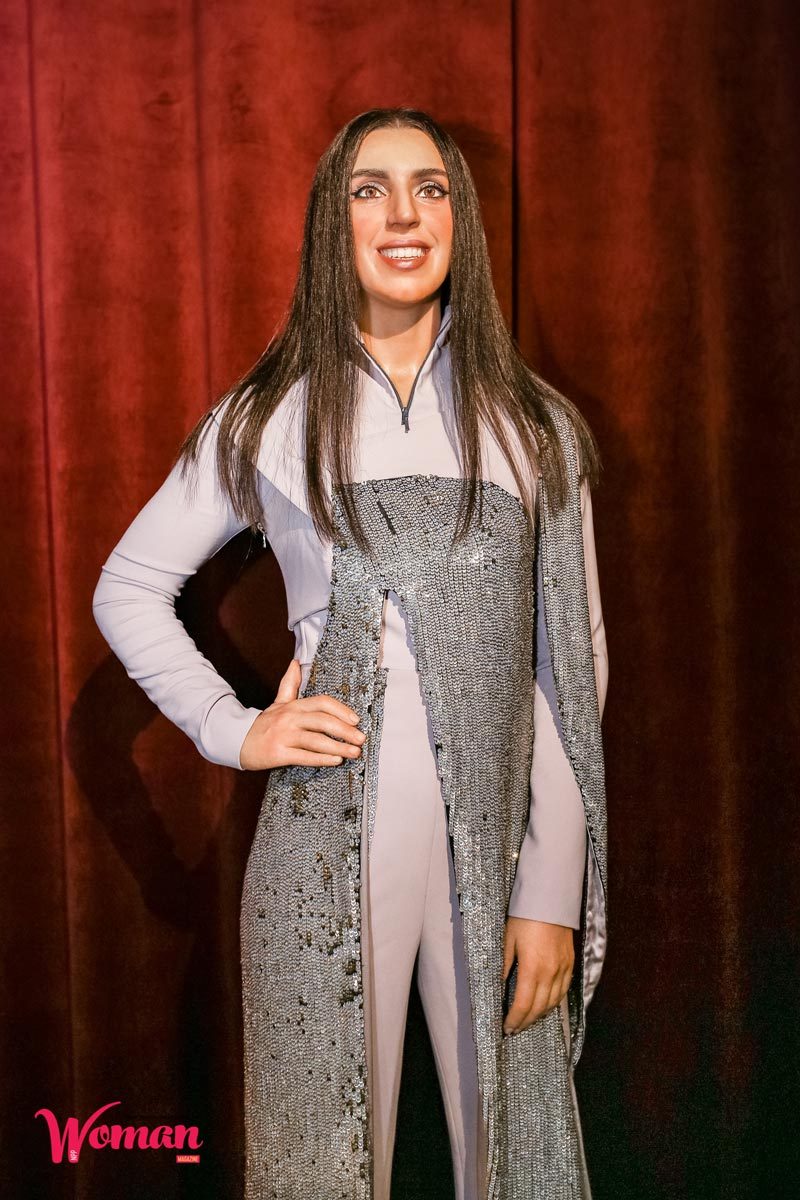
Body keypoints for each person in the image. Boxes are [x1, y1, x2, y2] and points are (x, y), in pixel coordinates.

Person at [92, 107, 608, 1200]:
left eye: (430, 188)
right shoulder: (270, 417)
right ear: (334, 222)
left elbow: (571, 667)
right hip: (324, 835)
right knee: (323, 1163)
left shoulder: (534, 426)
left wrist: (552, 886)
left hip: (497, 836)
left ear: (461, 221)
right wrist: (234, 730)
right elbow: (128, 586)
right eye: (370, 190)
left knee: (511, 1156)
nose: (403, 215)